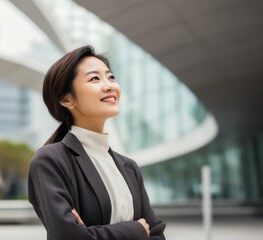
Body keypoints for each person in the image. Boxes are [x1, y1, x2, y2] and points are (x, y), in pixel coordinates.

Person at [28, 45, 166, 240]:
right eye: (95, 78)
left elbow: (157, 234)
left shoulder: (129, 167)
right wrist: (136, 230)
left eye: (111, 77)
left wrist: (91, 234)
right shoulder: (51, 160)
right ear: (67, 100)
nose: (109, 85)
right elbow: (67, 237)